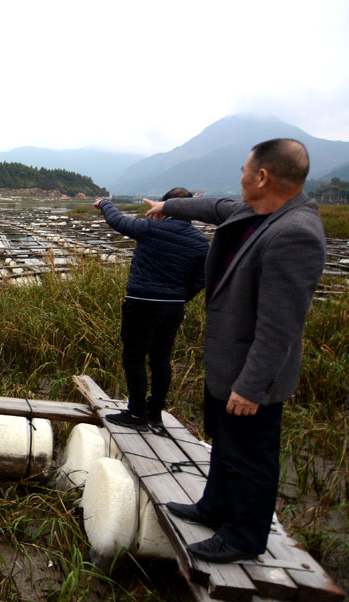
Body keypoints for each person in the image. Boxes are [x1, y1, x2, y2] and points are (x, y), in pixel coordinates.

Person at [145, 139, 325, 563]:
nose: (240, 177)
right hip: (228, 364)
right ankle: (214, 508)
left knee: (250, 457)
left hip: (252, 375)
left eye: (245, 170)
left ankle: (244, 537)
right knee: (226, 444)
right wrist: (166, 207)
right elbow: (214, 207)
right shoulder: (257, 211)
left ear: (262, 177)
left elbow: (280, 326)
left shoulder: (294, 233)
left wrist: (252, 386)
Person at [94, 189, 208, 434]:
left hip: (141, 303)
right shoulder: (200, 241)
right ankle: (155, 414)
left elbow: (118, 221)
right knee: (161, 359)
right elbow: (201, 279)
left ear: (163, 206)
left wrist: (104, 203)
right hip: (173, 307)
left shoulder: (150, 228)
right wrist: (179, 296)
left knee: (134, 356)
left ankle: (136, 413)